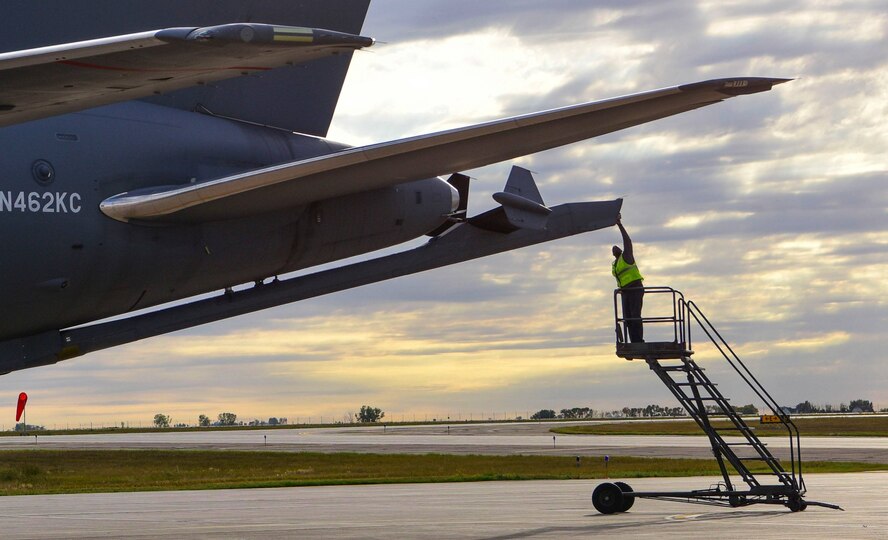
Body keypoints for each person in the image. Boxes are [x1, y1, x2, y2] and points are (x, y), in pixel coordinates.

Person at [612, 214, 644, 343]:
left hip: (635, 288)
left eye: (616, 247)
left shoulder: (627, 257)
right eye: (612, 249)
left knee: (635, 316)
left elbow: (627, 241)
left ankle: (638, 341)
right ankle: (633, 341)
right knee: (628, 318)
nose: (614, 247)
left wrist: (620, 225)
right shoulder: (615, 264)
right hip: (625, 292)